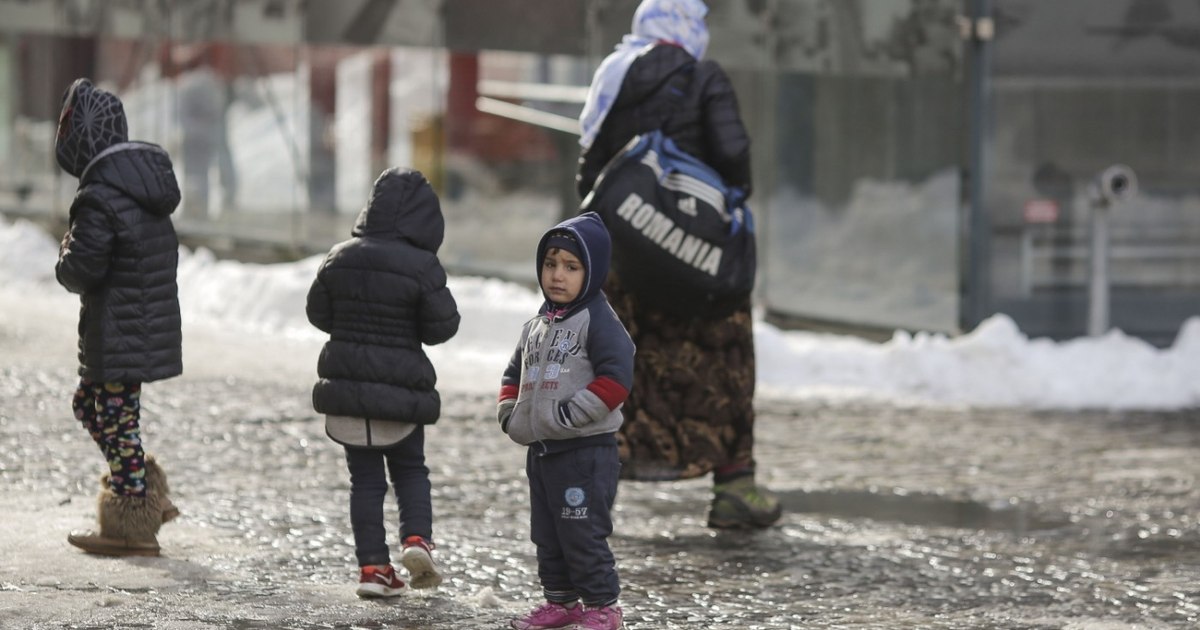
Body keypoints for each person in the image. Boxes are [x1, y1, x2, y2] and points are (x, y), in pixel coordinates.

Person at [576, 0, 782, 529]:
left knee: (620, 367)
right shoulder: (704, 76)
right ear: (691, 27)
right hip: (694, 256)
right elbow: (734, 155)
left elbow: (590, 171)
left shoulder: (613, 75)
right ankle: (736, 488)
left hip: (627, 256)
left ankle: (594, 494)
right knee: (723, 365)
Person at [306, 168, 460, 598]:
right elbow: (442, 326)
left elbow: (318, 313)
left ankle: (373, 568)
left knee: (365, 481)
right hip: (401, 392)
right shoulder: (422, 266)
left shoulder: (340, 256)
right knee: (411, 469)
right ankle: (416, 539)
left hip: (348, 390)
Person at [54, 78, 183, 556]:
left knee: (114, 418)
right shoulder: (138, 186)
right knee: (94, 409)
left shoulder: (99, 197)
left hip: (120, 331)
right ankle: (148, 492)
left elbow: (81, 269)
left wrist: (66, 250)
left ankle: (133, 519)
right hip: (139, 328)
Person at [497, 212, 634, 630]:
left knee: (582, 532)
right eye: (550, 264)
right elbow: (512, 373)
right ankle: (561, 602)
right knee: (548, 534)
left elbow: (617, 378)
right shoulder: (537, 325)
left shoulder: (598, 320)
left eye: (571, 267)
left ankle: (602, 606)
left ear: (591, 271)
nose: (557, 275)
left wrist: (568, 415)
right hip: (542, 453)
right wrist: (509, 414)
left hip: (584, 453)